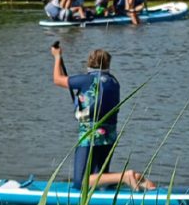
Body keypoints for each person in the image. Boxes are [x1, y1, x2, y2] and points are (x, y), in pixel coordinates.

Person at [51, 46, 156, 191]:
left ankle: (125, 176)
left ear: (89, 62)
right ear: (108, 64)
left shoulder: (86, 80)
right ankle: (139, 180)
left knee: (81, 182)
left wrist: (57, 57)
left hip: (90, 135)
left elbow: (57, 79)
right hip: (109, 134)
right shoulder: (113, 81)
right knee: (100, 177)